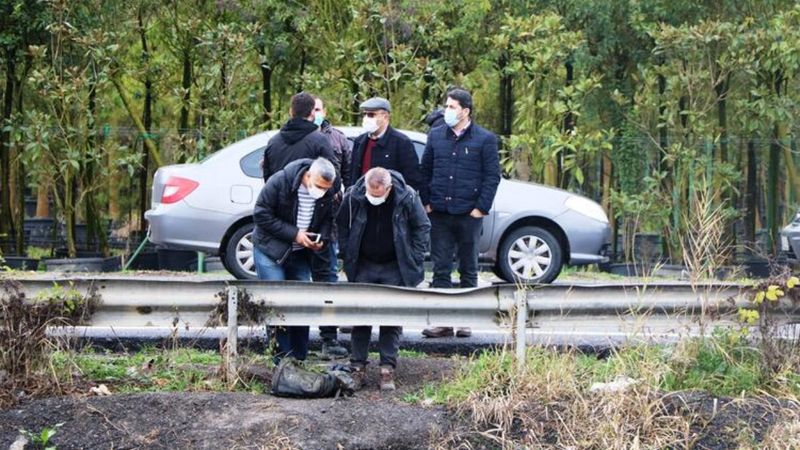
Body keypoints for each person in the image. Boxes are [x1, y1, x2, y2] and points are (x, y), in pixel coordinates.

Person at [337, 167, 431, 390]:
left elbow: (422, 227)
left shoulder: (407, 196)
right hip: (363, 264)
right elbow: (341, 224)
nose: (373, 198)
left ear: (388, 189)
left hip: (394, 265)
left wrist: (414, 259)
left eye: (378, 194)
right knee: (361, 318)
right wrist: (346, 252)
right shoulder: (354, 195)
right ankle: (357, 367)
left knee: (391, 318)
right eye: (371, 193)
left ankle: (387, 368)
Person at [419, 88, 501, 338]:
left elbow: (492, 177)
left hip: (469, 214)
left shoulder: (485, 139)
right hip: (440, 212)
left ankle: (466, 319)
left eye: (453, 107)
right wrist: (427, 203)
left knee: (469, 268)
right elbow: (425, 171)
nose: (448, 111)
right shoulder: (435, 136)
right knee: (441, 268)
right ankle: (443, 320)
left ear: (466, 111)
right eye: (447, 106)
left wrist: (480, 208)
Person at [253, 157, 337, 362]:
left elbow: (329, 220)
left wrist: (322, 240)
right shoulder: (280, 181)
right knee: (277, 301)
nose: (321, 191)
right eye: (318, 186)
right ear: (308, 175)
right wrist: (295, 234)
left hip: (301, 252)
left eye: (326, 188)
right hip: (270, 249)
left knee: (301, 302)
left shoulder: (329, 192)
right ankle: (280, 357)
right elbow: (261, 214)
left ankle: (299, 357)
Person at [312, 96, 353, 358]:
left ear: (324, 111)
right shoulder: (291, 137)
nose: (315, 113)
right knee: (295, 281)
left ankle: (329, 337)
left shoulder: (338, 139)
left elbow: (349, 175)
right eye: (311, 109)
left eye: (318, 109)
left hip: (330, 220)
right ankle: (290, 340)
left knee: (327, 279)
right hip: (299, 221)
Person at [347, 97, 422, 190]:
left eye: (371, 115)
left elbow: (412, 179)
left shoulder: (401, 142)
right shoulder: (360, 141)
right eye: (364, 114)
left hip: (389, 200)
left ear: (385, 117)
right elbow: (353, 176)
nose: (366, 118)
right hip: (362, 199)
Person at [262, 92, 337, 182]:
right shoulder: (320, 141)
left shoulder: (273, 142)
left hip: (281, 195)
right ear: (312, 112)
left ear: (291, 111)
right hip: (312, 195)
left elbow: (268, 178)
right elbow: (332, 177)